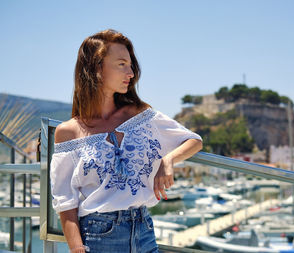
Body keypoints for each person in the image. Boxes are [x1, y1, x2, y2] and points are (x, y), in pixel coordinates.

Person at [50, 29, 203, 253]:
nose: (131, 73)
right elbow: (66, 202)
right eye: (121, 64)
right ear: (96, 67)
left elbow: (194, 141)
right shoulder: (68, 132)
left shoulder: (141, 116)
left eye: (131, 65)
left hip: (144, 230)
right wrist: (76, 248)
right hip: (99, 237)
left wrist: (168, 160)